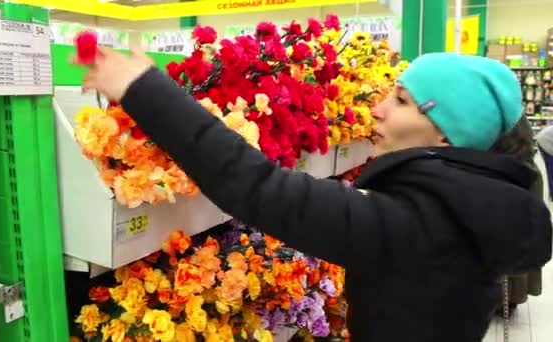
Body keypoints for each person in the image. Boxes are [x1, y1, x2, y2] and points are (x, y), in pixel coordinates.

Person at [78, 49, 552, 342]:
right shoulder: (471, 206)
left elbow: (258, 187)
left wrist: (142, 89)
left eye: (402, 101)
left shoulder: (414, 225)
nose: (379, 108)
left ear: (447, 134)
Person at [489, 115, 545, 314]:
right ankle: (508, 298)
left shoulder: (506, 115)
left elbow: (515, 146)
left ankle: (509, 298)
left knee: (513, 238)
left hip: (516, 174)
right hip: (518, 172)